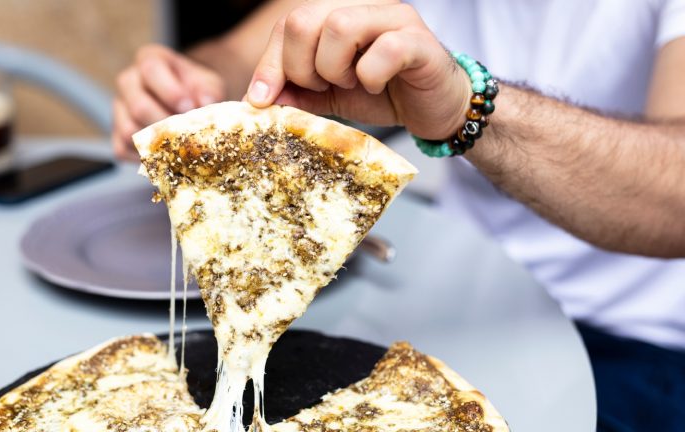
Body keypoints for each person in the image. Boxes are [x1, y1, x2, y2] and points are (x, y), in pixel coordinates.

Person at [113, 1, 685, 429]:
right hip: (448, 300)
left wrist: (465, 105)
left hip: (632, 345)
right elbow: (241, 55)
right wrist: (185, 84)